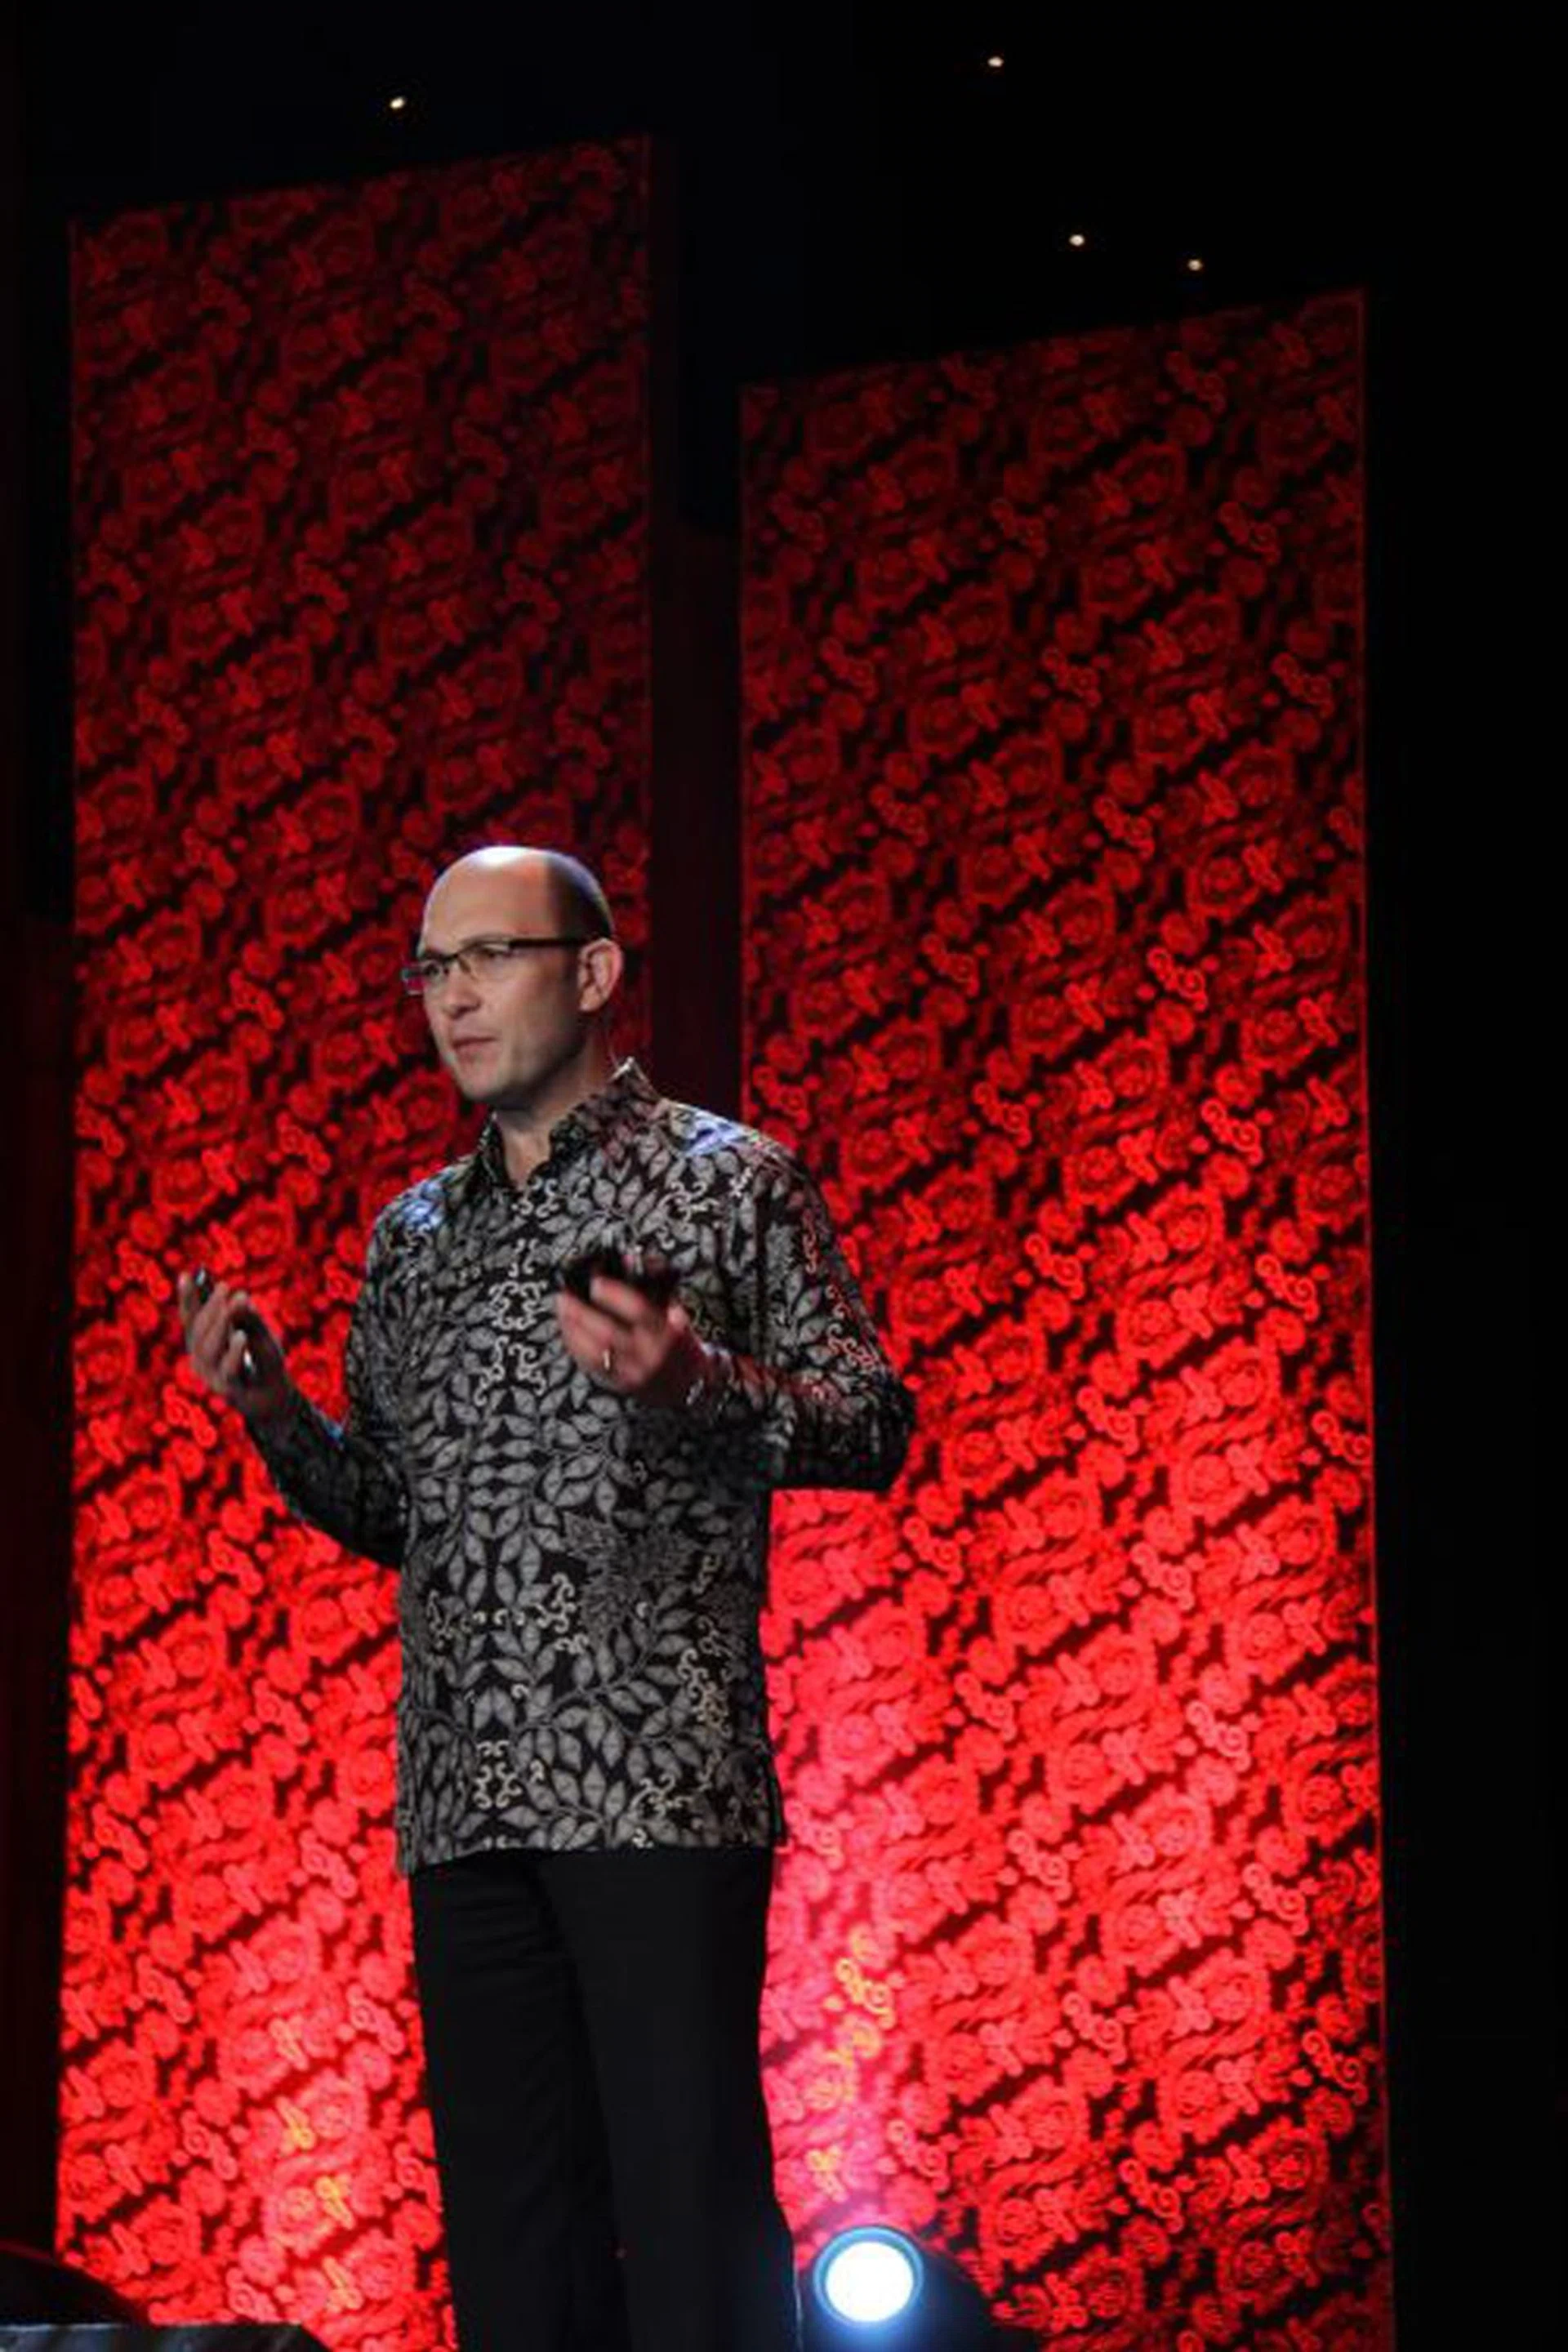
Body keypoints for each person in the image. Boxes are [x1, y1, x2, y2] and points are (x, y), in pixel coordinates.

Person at [179, 844, 915, 2352]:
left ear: (588, 975)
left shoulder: (728, 1181)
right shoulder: (415, 1238)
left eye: (487, 960)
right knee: (516, 2249)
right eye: (431, 971)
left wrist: (700, 1381)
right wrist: (272, 1417)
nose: (451, 1000)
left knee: (691, 2213)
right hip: (466, 1802)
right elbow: (393, 1514)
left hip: (654, 1784)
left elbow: (876, 1425)